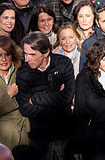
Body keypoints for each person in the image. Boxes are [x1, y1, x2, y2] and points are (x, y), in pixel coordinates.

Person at [16, 31, 75, 159]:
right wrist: (57, 101)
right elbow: (25, 108)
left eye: (32, 54)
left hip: (65, 135)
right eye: (25, 54)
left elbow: (67, 97)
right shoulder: (23, 73)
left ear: (46, 52)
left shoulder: (63, 64)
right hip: (39, 138)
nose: (27, 59)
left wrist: (36, 98)